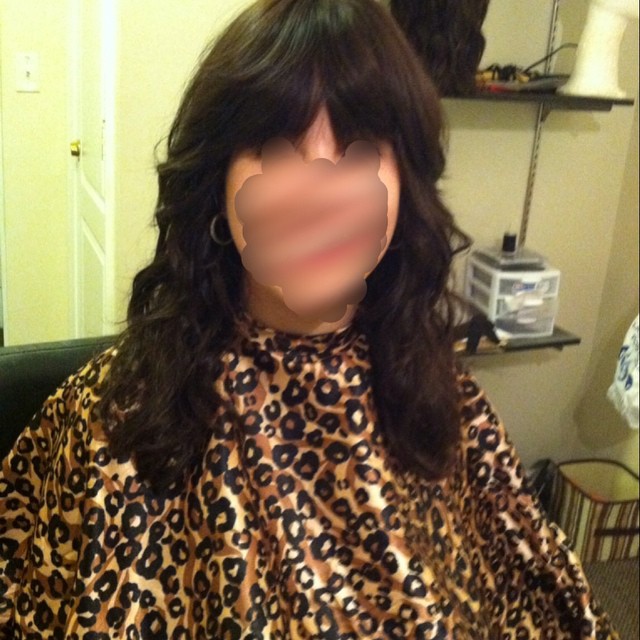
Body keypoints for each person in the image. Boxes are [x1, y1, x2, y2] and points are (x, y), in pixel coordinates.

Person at [0, 0, 621, 638]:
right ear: (218, 182)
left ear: (404, 188)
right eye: (276, 149)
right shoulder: (117, 416)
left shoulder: (442, 401)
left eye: (359, 150)